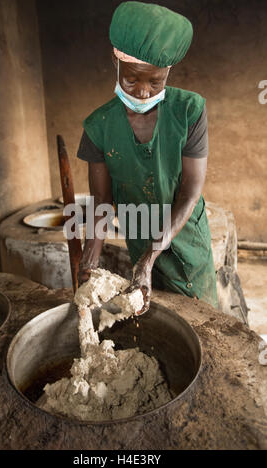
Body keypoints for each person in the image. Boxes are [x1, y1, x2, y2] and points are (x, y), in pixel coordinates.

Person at [77, 1, 218, 311]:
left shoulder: (189, 111)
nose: (143, 92)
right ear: (116, 63)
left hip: (186, 239)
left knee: (202, 322)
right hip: (140, 235)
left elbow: (190, 191)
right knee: (155, 319)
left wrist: (150, 257)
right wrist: (90, 255)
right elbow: (102, 200)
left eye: (156, 82)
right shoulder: (98, 126)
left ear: (168, 74)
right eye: (131, 80)